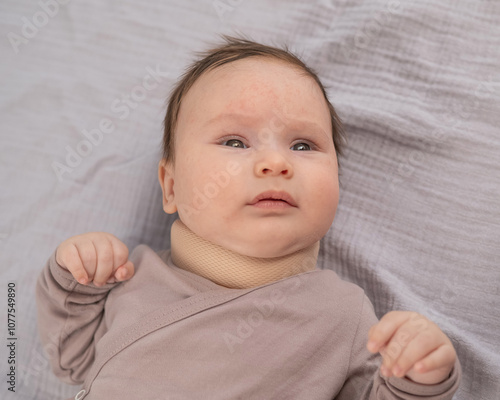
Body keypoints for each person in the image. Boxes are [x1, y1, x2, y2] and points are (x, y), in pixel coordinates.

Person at [36, 36, 461, 399]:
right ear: (170, 186)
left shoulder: (343, 316)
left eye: (303, 146)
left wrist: (417, 374)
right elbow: (70, 358)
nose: (275, 162)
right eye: (236, 141)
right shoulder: (131, 276)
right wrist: (75, 278)